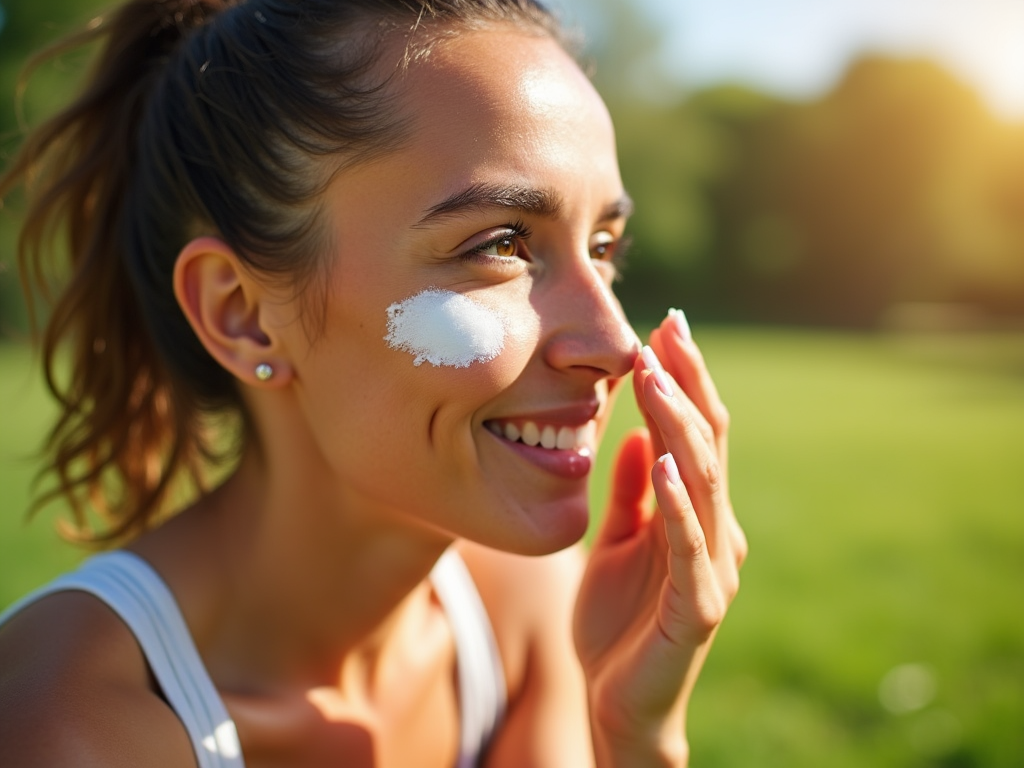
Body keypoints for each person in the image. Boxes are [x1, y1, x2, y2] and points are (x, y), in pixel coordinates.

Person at [0, 0, 747, 765]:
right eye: (503, 244)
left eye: (603, 245)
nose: (618, 343)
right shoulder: (69, 729)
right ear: (244, 315)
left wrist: (636, 734)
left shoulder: (528, 611)